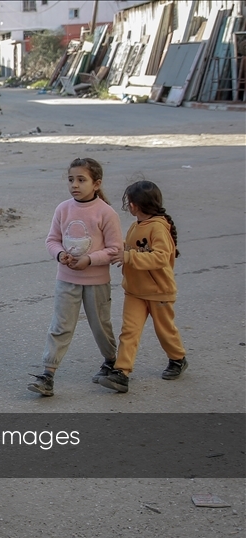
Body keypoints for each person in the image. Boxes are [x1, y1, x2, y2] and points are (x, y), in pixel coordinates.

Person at [28, 158, 123, 397]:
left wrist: (89, 260)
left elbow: (115, 249)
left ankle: (111, 361)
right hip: (66, 279)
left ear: (97, 183)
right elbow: (52, 240)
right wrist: (60, 255)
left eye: (82, 180)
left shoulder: (106, 213)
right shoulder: (63, 209)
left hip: (97, 282)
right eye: (71, 179)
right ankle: (47, 375)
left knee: (100, 326)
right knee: (60, 326)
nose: (75, 185)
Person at [98, 181, 187, 393]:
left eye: (129, 202)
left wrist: (128, 256)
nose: (128, 205)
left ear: (135, 205)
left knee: (165, 331)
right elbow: (128, 248)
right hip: (135, 291)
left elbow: (161, 258)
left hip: (159, 292)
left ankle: (177, 359)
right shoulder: (135, 226)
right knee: (129, 331)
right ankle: (122, 373)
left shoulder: (158, 227)